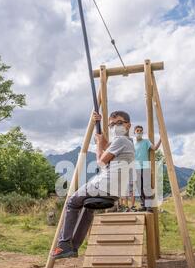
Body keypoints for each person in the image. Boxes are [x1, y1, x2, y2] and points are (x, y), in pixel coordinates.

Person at [52, 111, 135, 260]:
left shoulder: (120, 140)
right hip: (115, 191)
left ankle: (64, 244)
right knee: (86, 207)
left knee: (72, 202)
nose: (115, 126)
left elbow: (101, 161)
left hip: (103, 185)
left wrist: (97, 145)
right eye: (112, 124)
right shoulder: (128, 142)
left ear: (128, 125)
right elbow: (107, 146)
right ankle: (73, 246)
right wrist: (99, 129)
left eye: (119, 123)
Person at [132, 125, 161, 211]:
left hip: (145, 165)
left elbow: (155, 148)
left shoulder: (146, 142)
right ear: (134, 132)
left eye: (141, 131)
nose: (139, 132)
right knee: (139, 187)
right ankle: (143, 205)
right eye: (137, 131)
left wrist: (161, 139)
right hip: (136, 166)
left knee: (146, 186)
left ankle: (148, 206)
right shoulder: (133, 144)